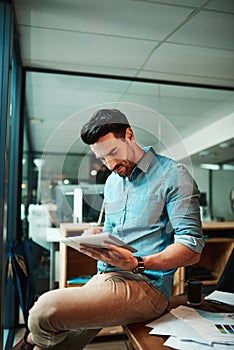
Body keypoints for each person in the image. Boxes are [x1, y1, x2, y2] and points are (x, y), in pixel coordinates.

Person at [12, 108, 204, 350]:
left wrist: (138, 262)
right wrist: (97, 236)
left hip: (147, 287)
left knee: (42, 311)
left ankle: (29, 340)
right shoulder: (113, 182)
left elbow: (191, 248)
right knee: (56, 344)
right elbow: (112, 230)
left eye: (113, 152)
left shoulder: (174, 175)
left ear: (129, 135)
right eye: (102, 158)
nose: (110, 164)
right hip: (106, 278)